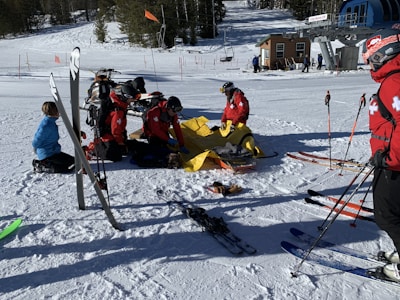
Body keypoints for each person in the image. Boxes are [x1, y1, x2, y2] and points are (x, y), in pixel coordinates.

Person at [362, 26, 400, 281]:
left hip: (394, 165)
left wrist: (390, 158)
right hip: (389, 158)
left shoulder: (394, 81)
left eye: (374, 58)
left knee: (387, 216)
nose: (372, 65)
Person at [87, 83, 141, 162]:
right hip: (107, 136)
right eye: (132, 99)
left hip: (113, 135)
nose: (132, 102)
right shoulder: (118, 111)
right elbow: (115, 130)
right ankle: (93, 148)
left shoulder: (120, 106)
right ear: (126, 97)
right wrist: (120, 143)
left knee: (133, 146)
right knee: (115, 156)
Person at [132, 96, 189, 168]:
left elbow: (177, 129)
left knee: (168, 147)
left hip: (163, 131)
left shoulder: (173, 114)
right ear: (168, 108)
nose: (176, 113)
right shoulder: (155, 112)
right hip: (151, 133)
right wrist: (168, 139)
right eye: (175, 111)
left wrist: (181, 144)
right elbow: (155, 130)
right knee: (157, 149)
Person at [32, 101, 75, 173]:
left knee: (74, 162)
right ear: (54, 112)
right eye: (58, 110)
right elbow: (37, 140)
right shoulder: (46, 125)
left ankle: (49, 163)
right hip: (47, 154)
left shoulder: (51, 122)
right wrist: (35, 148)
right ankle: (42, 165)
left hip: (54, 152)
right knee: (66, 168)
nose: (59, 113)